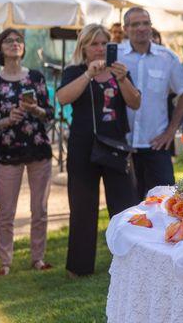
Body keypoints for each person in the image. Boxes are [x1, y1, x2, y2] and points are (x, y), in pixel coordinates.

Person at [57, 24, 140, 277]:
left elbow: (135, 102)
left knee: (125, 206)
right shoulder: (74, 71)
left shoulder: (119, 71)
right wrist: (88, 76)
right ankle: (80, 267)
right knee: (83, 207)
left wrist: (123, 79)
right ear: (83, 47)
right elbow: (62, 98)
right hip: (83, 146)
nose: (100, 48)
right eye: (94, 44)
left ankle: (130, 262)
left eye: (104, 43)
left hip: (115, 145)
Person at [0, 29, 54, 276]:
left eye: (18, 40)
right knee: (7, 210)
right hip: (8, 152)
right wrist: (7, 120)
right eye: (9, 40)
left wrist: (36, 110)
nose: (15, 43)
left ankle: (37, 258)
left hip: (38, 148)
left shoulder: (37, 78)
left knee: (39, 209)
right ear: (0, 49)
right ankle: (5, 262)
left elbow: (49, 114)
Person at [119, 8, 183, 197]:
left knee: (163, 203)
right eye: (136, 24)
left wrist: (170, 131)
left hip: (155, 144)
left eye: (146, 23)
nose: (142, 28)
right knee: (126, 207)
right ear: (125, 28)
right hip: (122, 145)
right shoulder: (116, 56)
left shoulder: (166, 58)